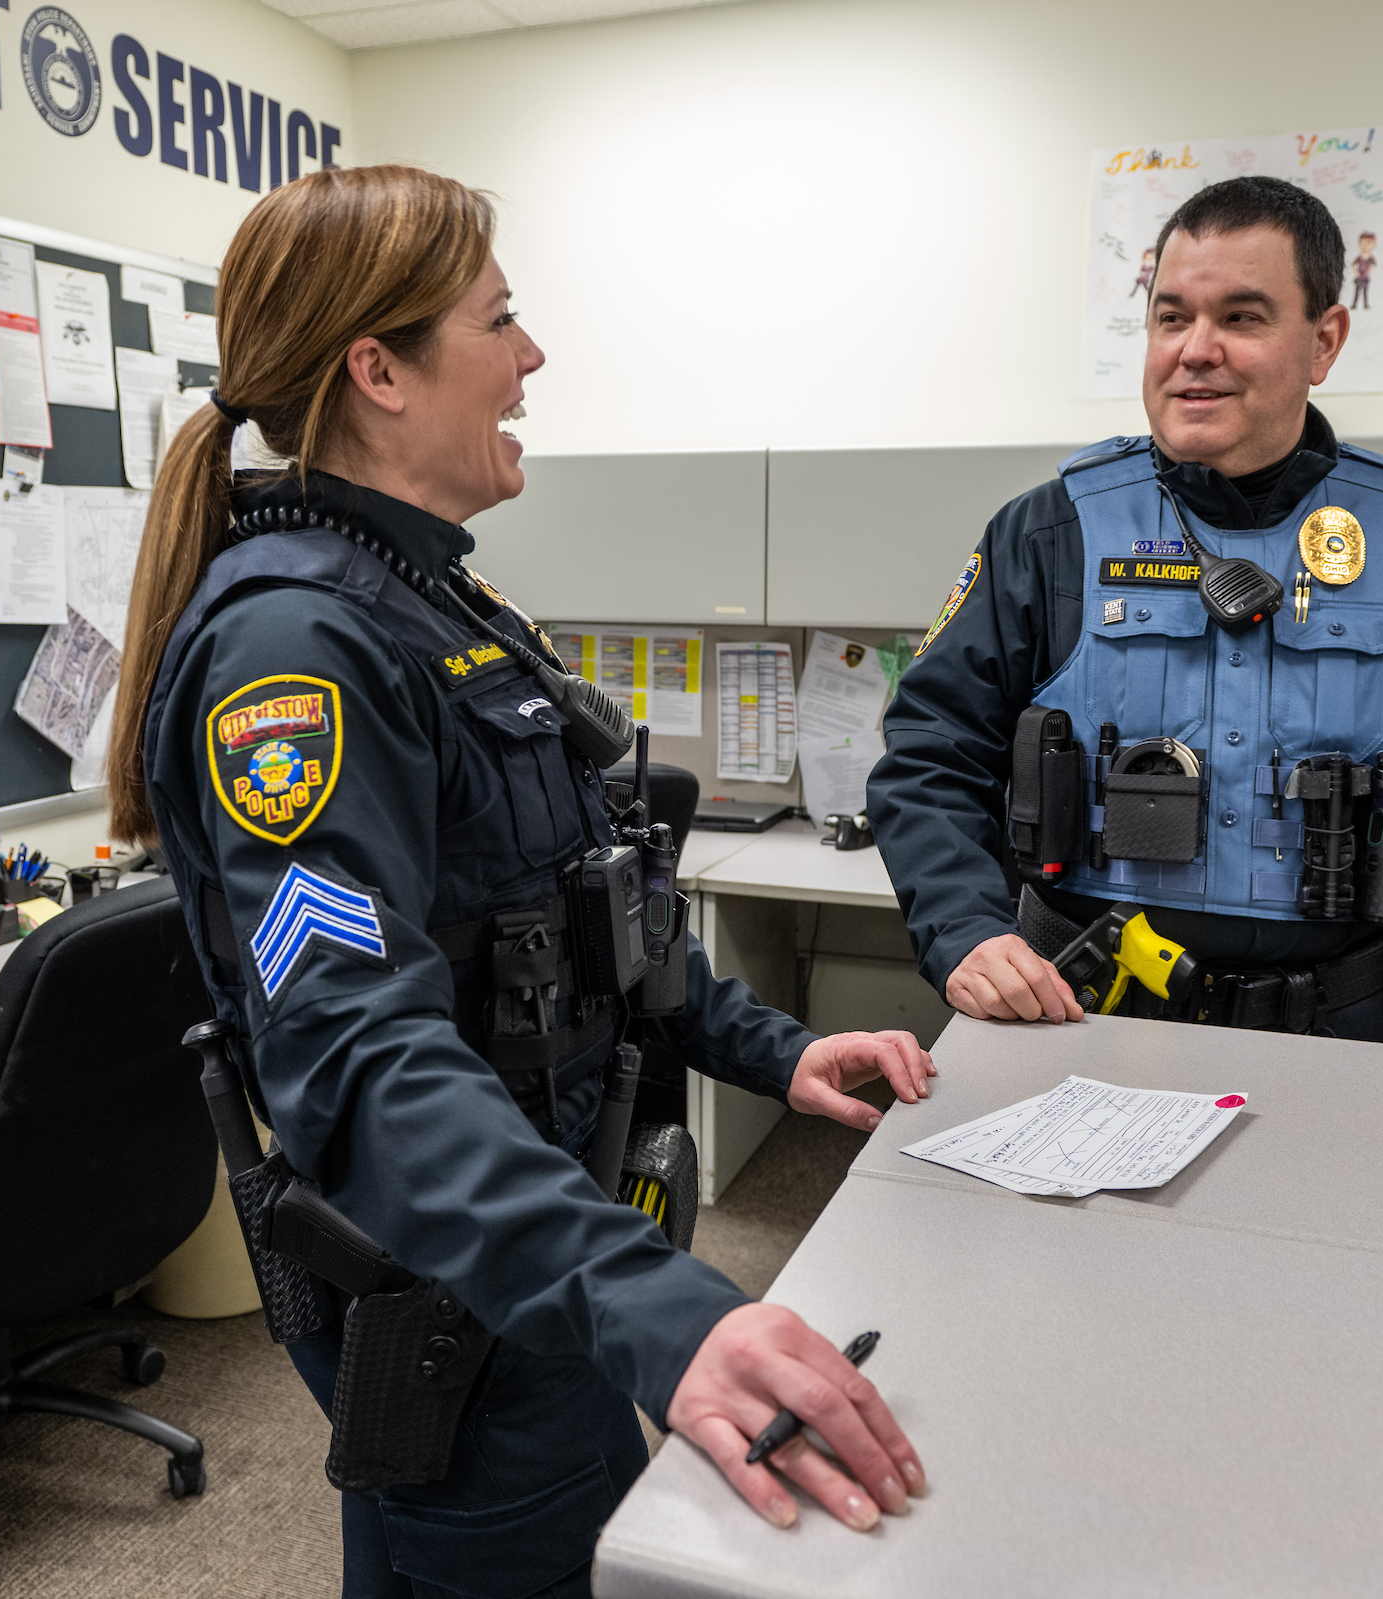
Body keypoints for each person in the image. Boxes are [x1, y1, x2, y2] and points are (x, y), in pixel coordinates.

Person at [108, 165, 929, 1598]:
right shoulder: (297, 655)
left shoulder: (437, 600)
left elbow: (579, 915)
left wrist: (774, 1048)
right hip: (457, 1270)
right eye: (502, 320)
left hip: (529, 1229)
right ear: (380, 370)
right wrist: (654, 1306)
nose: (533, 357)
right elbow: (357, 1054)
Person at [868, 176, 1383, 1090]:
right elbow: (929, 752)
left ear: (1325, 341)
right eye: (1170, 317)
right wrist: (966, 926)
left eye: (1241, 317)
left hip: (1339, 1039)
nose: (1196, 351)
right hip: (1072, 1015)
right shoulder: (1049, 535)